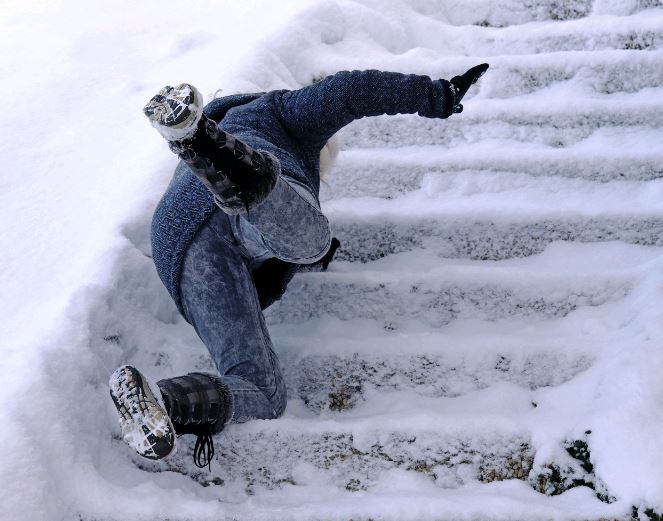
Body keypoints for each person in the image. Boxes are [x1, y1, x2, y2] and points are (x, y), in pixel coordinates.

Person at [109, 65, 490, 469]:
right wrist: (437, 95)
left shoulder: (194, 165)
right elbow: (348, 91)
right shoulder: (277, 110)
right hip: (234, 209)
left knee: (263, 392)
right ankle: (243, 173)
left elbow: (265, 271)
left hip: (176, 240)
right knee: (311, 240)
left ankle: (165, 404)